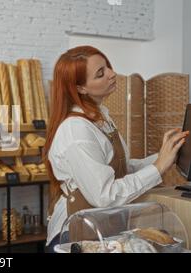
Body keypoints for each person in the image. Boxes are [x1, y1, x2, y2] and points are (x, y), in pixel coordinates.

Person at [43, 46, 189, 253]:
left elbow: (122, 169)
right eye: (100, 73)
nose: (112, 74)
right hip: (75, 235)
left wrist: (167, 155)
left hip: (103, 227)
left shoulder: (100, 118)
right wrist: (157, 168)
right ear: (81, 88)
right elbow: (105, 195)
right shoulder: (76, 130)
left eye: (108, 66)